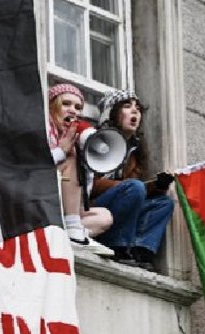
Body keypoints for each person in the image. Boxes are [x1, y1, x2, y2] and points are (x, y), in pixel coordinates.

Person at [90, 89, 175, 272]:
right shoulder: (95, 141)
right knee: (134, 187)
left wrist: (158, 186)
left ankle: (140, 249)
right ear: (112, 112)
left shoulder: (135, 151)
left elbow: (135, 192)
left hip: (121, 205)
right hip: (95, 210)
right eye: (127, 106)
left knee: (164, 203)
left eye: (138, 108)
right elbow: (90, 185)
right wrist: (128, 187)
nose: (135, 111)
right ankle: (117, 245)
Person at [47, 83, 115, 258]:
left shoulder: (77, 142)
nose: (73, 111)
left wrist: (85, 155)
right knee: (70, 158)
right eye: (66, 104)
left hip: (66, 212)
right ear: (52, 106)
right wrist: (61, 152)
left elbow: (83, 189)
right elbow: (32, 168)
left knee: (105, 217)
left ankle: (72, 232)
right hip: (41, 202)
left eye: (78, 107)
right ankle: (74, 235)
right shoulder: (43, 131)